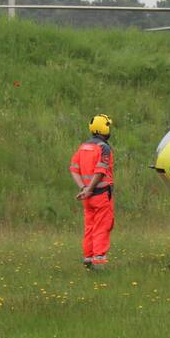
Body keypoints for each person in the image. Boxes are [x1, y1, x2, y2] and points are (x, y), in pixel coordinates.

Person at [69, 114, 115, 269]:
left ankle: (88, 258)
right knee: (102, 225)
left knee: (90, 226)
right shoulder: (104, 148)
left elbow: (74, 169)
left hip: (87, 197)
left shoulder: (83, 147)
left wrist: (83, 188)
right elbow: (101, 171)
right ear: (105, 128)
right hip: (101, 195)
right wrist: (89, 189)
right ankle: (99, 261)